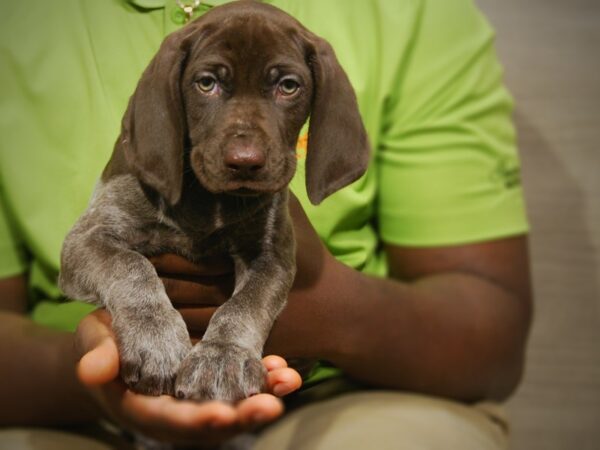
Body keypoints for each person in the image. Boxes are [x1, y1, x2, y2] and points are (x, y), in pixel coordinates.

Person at [0, 0, 532, 448]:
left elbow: (494, 341)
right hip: (71, 403)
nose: (248, 149)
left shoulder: (412, 14)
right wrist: (97, 374)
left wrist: (327, 308)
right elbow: (85, 250)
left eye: (286, 87)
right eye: (207, 82)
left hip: (330, 393)